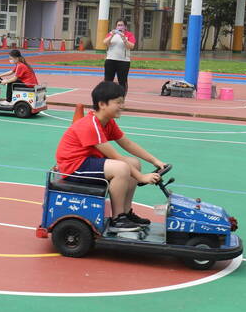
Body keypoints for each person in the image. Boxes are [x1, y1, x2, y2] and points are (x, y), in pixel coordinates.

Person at [55, 81, 165, 232]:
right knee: (121, 168)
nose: (122, 106)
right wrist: (141, 177)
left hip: (89, 161)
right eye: (118, 102)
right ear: (102, 104)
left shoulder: (108, 122)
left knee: (134, 163)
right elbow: (115, 156)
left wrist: (155, 160)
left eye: (123, 102)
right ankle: (118, 219)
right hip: (74, 166)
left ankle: (126, 213)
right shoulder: (90, 125)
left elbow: (127, 143)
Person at [103, 18, 136, 95]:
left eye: (122, 25)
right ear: (116, 26)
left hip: (123, 62)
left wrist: (124, 39)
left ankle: (121, 98)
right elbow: (105, 42)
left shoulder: (129, 35)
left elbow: (131, 46)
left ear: (125, 27)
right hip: (110, 60)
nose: (120, 27)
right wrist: (112, 35)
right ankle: (107, 98)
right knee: (108, 80)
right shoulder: (111, 33)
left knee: (122, 81)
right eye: (118, 25)